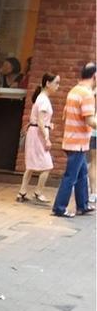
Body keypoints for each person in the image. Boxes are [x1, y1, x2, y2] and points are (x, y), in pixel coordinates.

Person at [51, 62, 97, 217]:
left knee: (82, 174)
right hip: (78, 142)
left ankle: (83, 205)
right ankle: (59, 208)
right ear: (95, 76)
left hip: (72, 139)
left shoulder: (74, 90)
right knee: (70, 176)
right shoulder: (87, 94)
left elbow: (65, 115)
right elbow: (90, 120)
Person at [16, 73, 60, 203]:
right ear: (48, 83)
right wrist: (46, 138)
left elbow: (40, 121)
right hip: (38, 135)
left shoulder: (41, 98)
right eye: (56, 83)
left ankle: (22, 192)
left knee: (30, 165)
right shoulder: (44, 100)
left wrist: (48, 125)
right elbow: (40, 122)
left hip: (34, 133)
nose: (58, 86)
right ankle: (38, 192)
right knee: (47, 165)